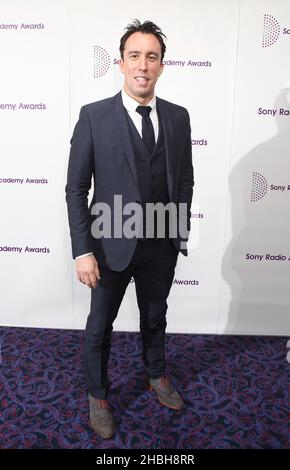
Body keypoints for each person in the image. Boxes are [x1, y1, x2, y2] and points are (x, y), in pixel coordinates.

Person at [65, 19, 194, 439]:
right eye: (135, 56)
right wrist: (83, 250)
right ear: (121, 63)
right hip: (109, 245)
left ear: (161, 66)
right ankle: (97, 395)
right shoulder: (94, 116)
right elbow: (76, 189)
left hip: (161, 244)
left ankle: (156, 374)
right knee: (99, 326)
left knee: (155, 317)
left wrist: (178, 230)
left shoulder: (177, 117)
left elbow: (185, 180)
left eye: (152, 57)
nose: (143, 65)